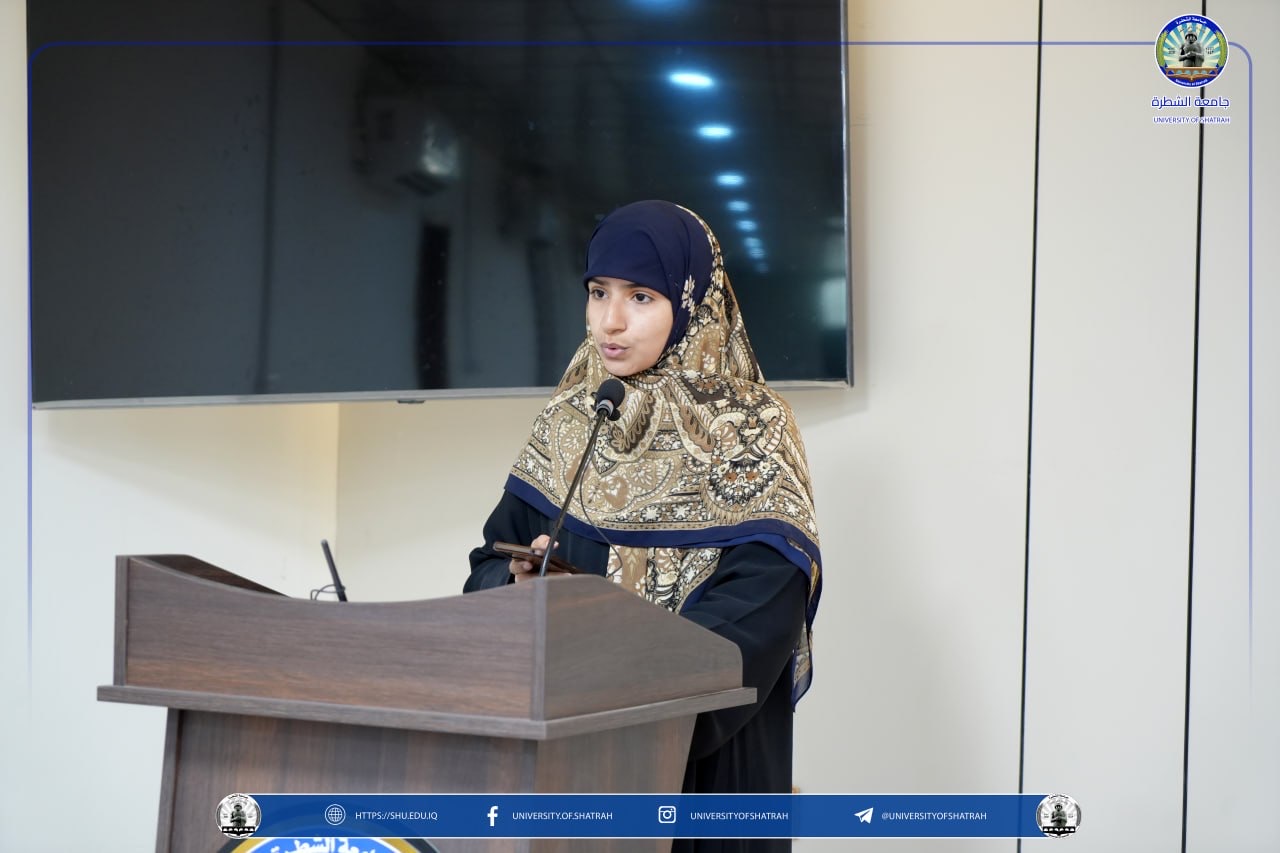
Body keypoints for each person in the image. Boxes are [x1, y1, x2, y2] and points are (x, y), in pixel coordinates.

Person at [465, 200, 822, 853]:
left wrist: (613, 655)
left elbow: (761, 608)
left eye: (641, 296)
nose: (610, 320)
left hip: (707, 783)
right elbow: (484, 567)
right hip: (565, 772)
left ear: (692, 305)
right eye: (598, 291)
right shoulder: (573, 421)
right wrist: (514, 587)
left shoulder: (755, 431)